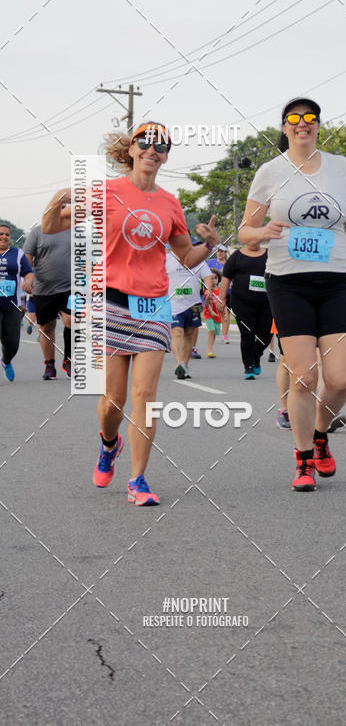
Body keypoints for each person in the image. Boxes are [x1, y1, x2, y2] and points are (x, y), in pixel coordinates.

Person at [41, 122, 218, 505]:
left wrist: (210, 246)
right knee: (113, 402)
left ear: (167, 155)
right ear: (133, 149)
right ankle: (109, 444)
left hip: (154, 304)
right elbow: (51, 225)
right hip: (111, 303)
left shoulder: (170, 203)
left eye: (161, 146)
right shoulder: (107, 193)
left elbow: (185, 257)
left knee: (145, 395)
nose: (153, 150)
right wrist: (61, 196)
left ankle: (138, 480)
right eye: (146, 143)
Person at [239, 96, 346, 491]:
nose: (303, 123)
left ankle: (320, 435)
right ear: (284, 127)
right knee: (304, 378)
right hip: (287, 281)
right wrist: (260, 233)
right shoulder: (270, 171)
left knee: (342, 379)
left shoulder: (339, 167)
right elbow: (245, 230)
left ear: (318, 126)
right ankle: (302, 461)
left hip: (333, 281)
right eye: (294, 118)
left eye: (310, 118)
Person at [24, 219, 72, 379]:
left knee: (72, 321)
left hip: (70, 287)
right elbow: (27, 258)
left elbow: (86, 256)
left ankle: (68, 360)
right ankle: (49, 364)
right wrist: (28, 279)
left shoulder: (76, 231)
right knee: (46, 327)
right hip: (43, 289)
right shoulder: (37, 232)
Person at [218, 239, 272, 379]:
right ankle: (248, 367)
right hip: (242, 302)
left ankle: (256, 356)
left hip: (267, 302)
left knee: (266, 334)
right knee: (247, 333)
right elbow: (226, 278)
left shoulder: (270, 255)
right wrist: (221, 299)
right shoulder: (237, 256)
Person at [166, 249, 210, 379]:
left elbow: (207, 275)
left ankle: (185, 366)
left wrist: (208, 289)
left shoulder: (197, 259)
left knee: (189, 335)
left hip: (193, 303)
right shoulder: (166, 258)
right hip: (173, 303)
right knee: (177, 331)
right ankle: (179, 363)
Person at [0, 224, 34, 381]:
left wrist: (27, 282)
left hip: (12, 305)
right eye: (1, 234)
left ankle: (6, 361)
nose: (4, 237)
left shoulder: (18, 254)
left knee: (12, 343)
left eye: (7, 234)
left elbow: (29, 273)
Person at [207, 245, 231, 343]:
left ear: (226, 253)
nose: (220, 253)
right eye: (218, 251)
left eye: (222, 251)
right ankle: (214, 333)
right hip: (214, 292)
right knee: (214, 312)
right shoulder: (210, 262)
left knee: (226, 313)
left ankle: (224, 336)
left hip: (227, 291)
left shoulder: (229, 264)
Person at [202, 271, 222, 358]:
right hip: (208, 313)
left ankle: (211, 349)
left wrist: (224, 314)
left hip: (217, 314)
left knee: (214, 333)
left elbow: (222, 302)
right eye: (211, 278)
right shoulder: (207, 290)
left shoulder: (220, 291)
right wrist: (211, 312)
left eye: (215, 278)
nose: (213, 280)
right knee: (211, 330)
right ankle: (209, 350)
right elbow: (208, 303)